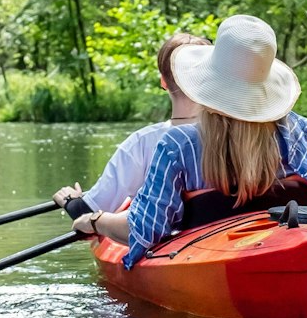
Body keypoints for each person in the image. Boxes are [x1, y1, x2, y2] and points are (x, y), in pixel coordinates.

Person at [73, 15, 307, 267]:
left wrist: (97, 222)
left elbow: (146, 230)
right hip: (304, 240)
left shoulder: (178, 145)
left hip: (218, 253)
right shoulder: (298, 127)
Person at [53, 32, 209, 216]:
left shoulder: (142, 142)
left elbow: (87, 212)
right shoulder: (236, 134)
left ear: (163, 81)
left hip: (168, 235)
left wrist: (71, 201)